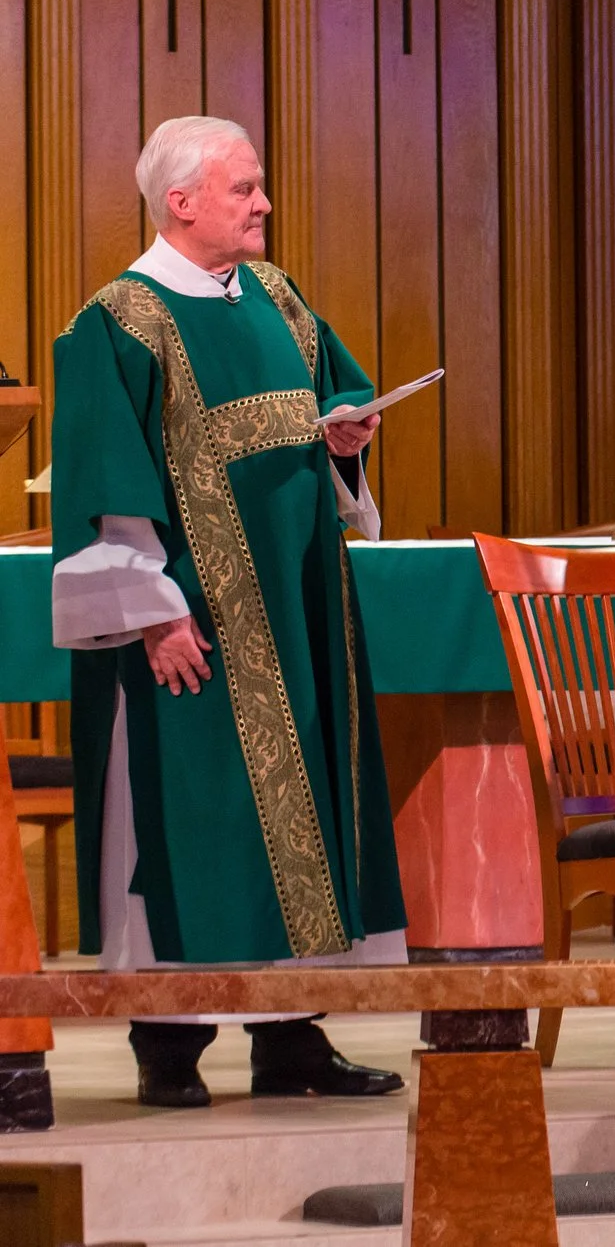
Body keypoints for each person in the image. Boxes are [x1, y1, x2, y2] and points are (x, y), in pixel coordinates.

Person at [50, 115, 407, 1109]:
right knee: (194, 817)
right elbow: (105, 475)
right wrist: (151, 612)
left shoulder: (280, 298)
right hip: (192, 623)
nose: (264, 203)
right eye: (245, 187)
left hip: (297, 608)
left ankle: (292, 1035)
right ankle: (171, 1041)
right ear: (183, 201)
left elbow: (335, 404)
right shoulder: (119, 320)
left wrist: (347, 440)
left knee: (301, 815)